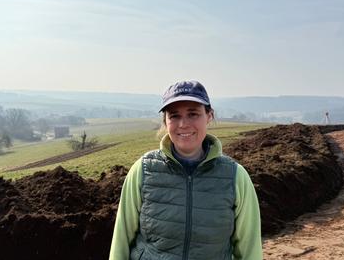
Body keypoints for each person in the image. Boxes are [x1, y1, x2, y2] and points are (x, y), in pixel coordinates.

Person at [109, 80, 262, 260]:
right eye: (174, 116)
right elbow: (121, 241)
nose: (183, 124)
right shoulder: (143, 171)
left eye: (193, 114)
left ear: (209, 116)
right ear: (165, 122)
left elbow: (249, 249)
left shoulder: (235, 177)